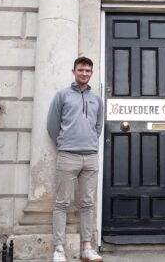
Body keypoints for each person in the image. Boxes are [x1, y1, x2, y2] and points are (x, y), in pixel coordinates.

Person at [48, 57, 104, 262]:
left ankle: (87, 247)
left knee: (88, 203)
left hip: (90, 157)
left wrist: (89, 142)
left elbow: (98, 126)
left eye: (88, 71)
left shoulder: (97, 99)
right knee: (62, 202)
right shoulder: (62, 95)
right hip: (68, 155)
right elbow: (52, 126)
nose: (85, 74)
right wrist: (65, 143)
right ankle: (59, 249)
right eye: (81, 70)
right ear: (74, 71)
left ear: (92, 73)